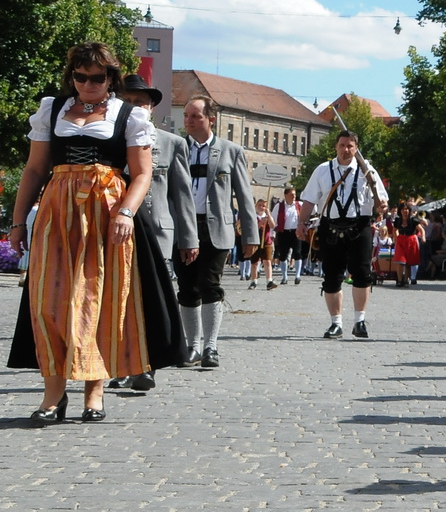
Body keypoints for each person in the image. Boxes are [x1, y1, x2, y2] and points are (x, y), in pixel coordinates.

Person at [4, 44, 156, 422]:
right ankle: (53, 395)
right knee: (48, 302)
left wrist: (126, 212)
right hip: (57, 212)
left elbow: (142, 173)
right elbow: (35, 170)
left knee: (97, 299)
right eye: (80, 75)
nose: (88, 83)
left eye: (97, 77)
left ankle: (94, 391)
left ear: (111, 79)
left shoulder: (129, 115)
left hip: (106, 215)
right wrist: (18, 221)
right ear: (71, 76)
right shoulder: (52, 109)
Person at [106, 73, 193, 395]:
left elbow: (182, 196)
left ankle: (147, 366)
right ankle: (120, 363)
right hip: (116, 230)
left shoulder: (172, 144)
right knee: (118, 300)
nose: (134, 107)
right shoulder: (109, 140)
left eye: (140, 102)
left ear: (152, 107)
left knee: (152, 301)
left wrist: (188, 239)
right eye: (128, 101)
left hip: (158, 233)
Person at [175, 95, 258, 368]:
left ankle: (210, 346)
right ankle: (192, 345)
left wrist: (250, 235)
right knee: (186, 287)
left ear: (211, 119)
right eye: (186, 115)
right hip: (183, 227)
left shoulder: (230, 151)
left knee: (209, 284)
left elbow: (244, 197)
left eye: (195, 116)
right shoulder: (177, 148)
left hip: (216, 228)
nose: (188, 121)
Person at [300, 125, 388, 340]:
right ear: (335, 147)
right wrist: (301, 223)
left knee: (362, 274)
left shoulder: (368, 170)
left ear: (356, 148)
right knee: (331, 277)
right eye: (342, 145)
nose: (345, 149)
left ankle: (359, 321)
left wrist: (382, 206)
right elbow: (310, 199)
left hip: (360, 227)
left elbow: (382, 200)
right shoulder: (322, 170)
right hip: (330, 226)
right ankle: (336, 323)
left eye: (350, 146)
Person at [273, 186, 304, 285]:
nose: (293, 196)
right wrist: (273, 232)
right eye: (291, 194)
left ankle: (297, 276)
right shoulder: (279, 206)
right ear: (285, 195)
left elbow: (310, 212)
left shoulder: (299, 205)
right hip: (283, 232)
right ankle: (284, 277)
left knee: (298, 253)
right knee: (283, 255)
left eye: (294, 194)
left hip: (296, 232)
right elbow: (273, 220)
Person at [390, 201, 426, 287]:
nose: (404, 211)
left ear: (409, 210)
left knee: (408, 263)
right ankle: (399, 280)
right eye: (402, 209)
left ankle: (406, 280)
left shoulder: (413, 219)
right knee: (400, 261)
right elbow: (394, 230)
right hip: (401, 240)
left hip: (411, 240)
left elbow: (421, 230)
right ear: (400, 211)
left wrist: (423, 237)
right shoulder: (398, 220)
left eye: (406, 209)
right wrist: (395, 239)